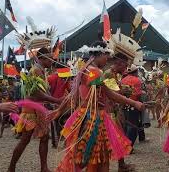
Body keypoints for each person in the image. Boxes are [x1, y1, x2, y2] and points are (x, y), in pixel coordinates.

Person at [50, 41, 144, 172]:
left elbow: (74, 95)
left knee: (100, 156)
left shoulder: (84, 69)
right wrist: (134, 103)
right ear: (100, 54)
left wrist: (59, 110)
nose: (108, 60)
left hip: (85, 115)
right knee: (90, 158)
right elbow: (110, 93)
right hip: (94, 118)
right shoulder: (95, 72)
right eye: (106, 56)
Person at [8, 47, 62, 172]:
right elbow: (37, 94)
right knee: (25, 139)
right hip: (31, 109)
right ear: (42, 58)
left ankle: (44, 168)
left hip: (38, 108)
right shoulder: (36, 70)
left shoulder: (41, 70)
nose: (52, 61)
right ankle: (11, 167)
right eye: (49, 58)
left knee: (44, 137)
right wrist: (56, 100)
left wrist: (50, 102)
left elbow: (42, 92)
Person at [121, 65, 146, 147]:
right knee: (133, 126)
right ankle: (129, 146)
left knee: (125, 125)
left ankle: (124, 143)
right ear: (135, 72)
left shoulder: (123, 80)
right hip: (133, 105)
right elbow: (138, 94)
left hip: (123, 104)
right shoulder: (137, 80)